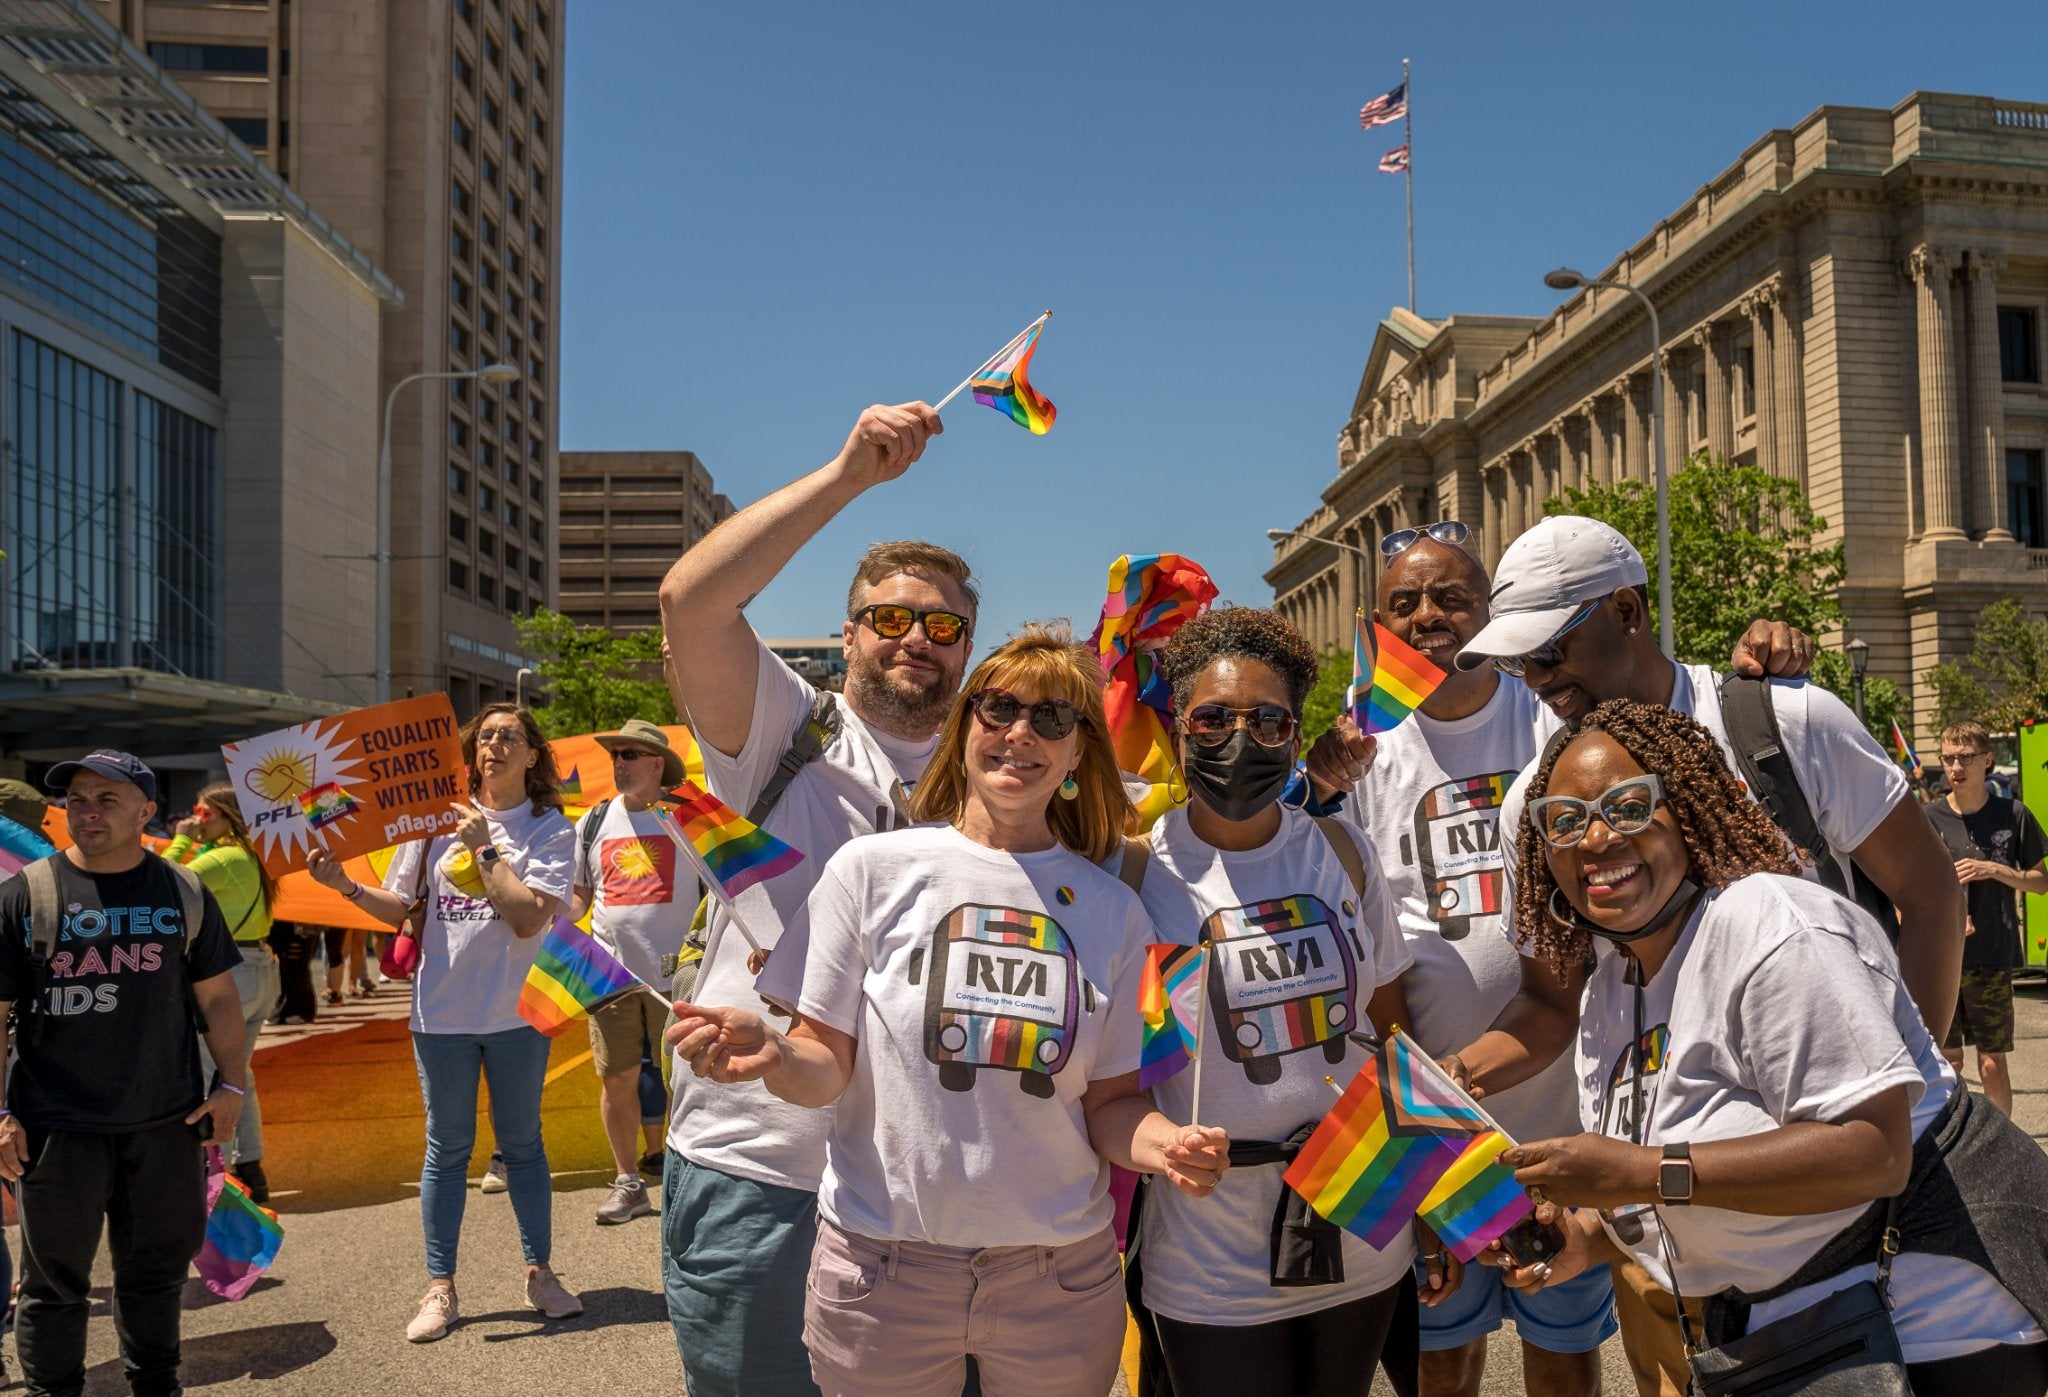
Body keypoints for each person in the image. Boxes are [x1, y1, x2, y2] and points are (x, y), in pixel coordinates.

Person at [1440, 515, 1965, 1396]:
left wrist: (1904, 1085)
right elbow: (1551, 1001)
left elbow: (1933, 895)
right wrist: (1448, 1080)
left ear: (1629, 609)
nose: (1539, 682)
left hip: (1856, 1239)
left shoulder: (1782, 722)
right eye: (1520, 664)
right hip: (1676, 1249)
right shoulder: (1541, 799)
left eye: (1553, 651)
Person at [1294, 522, 1810, 1397]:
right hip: (1446, 1127)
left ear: (1495, 617)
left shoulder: (1557, 712)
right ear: (1375, 626)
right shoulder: (1359, 758)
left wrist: (1767, 649)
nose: (1430, 615)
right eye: (1405, 603)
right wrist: (1417, 1123)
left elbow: (1672, 713)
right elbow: (1353, 938)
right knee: (1441, 1359)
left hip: (1575, 1112)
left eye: (1454, 597)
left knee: (1566, 1359)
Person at [675, 625, 1229, 1396]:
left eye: (1052, 718)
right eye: (997, 708)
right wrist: (770, 1055)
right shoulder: (871, 871)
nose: (1020, 733)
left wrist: (1166, 1143)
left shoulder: (1113, 910)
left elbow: (1110, 1106)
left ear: (1076, 755)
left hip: (1059, 1281)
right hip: (884, 1272)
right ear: (963, 726)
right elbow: (822, 1063)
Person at [1489, 699, 2048, 1396]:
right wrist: (1588, 1236)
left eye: (1628, 805)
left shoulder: (1773, 924)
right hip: (1799, 1337)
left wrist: (1638, 1171)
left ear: (1687, 807)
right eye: (1565, 821)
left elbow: (1872, 1150)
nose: (1596, 838)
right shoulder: (1611, 989)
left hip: (1927, 1330)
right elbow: (1680, 1161)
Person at [655, 402, 975, 1395]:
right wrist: (847, 477)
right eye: (887, 617)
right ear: (847, 636)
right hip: (761, 1172)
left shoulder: (998, 778)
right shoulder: (784, 731)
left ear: (967, 647)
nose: (912, 637)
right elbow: (690, 602)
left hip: (927, 1193)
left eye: (940, 624)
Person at [1129, 606, 1417, 1396]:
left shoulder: (1342, 852)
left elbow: (1392, 1031)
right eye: (1213, 718)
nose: (1239, 740)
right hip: (1207, 1243)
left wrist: (1428, 1201)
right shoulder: (1131, 876)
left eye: (1269, 721)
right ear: (1179, 727)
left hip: (1358, 1215)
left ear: (1297, 732)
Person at [306, 702, 580, 1342]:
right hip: (440, 1016)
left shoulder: (549, 829)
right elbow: (398, 907)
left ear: (533, 754)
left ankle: (540, 1273)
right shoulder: (429, 824)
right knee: (447, 1149)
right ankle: (440, 1289)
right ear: (471, 752)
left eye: (510, 736)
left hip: (516, 1015)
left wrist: (486, 848)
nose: (495, 745)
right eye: (485, 736)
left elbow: (525, 917)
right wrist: (344, 884)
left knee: (523, 1146)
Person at [0, 750, 247, 1397]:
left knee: (156, 1277)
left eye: (106, 799)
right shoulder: (26, 894)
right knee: (54, 1286)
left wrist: (232, 1085)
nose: (87, 811)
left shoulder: (183, 890)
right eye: (78, 799)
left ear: (145, 811)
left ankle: (156, 1387)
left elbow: (219, 998)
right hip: (55, 1129)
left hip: (165, 1123)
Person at [567, 719, 697, 1225]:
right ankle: (628, 1182)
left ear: (656, 764)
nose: (618, 763)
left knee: (683, 1080)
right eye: (615, 754)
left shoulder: (687, 817)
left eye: (629, 754)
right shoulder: (595, 820)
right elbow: (578, 897)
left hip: (677, 977)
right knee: (616, 1078)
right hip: (607, 975)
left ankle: (687, 1180)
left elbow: (725, 886)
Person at [164, 783, 281, 1202]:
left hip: (230, 976)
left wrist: (180, 838)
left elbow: (158, 881)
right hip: (259, 969)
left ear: (227, 817)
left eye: (205, 812)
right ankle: (251, 1169)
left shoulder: (223, 858)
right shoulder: (251, 855)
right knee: (237, 1074)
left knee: (209, 1072)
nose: (198, 819)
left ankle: (219, 1174)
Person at [1926, 718, 2047, 1117]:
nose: (1955, 768)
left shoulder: (2012, 814)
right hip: (1944, 956)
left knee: (1992, 1063)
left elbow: (2040, 883)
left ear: (1987, 760)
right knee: (1949, 1062)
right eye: (1948, 759)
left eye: (1965, 758)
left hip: (1993, 954)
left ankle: (2004, 1149)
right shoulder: (1929, 817)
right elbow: (1908, 886)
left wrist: (1993, 870)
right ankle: (1952, 1149)